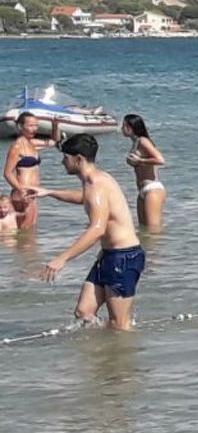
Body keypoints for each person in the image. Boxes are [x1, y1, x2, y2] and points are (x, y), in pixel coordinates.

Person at [30, 134, 145, 329]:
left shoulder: (97, 184)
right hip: (109, 255)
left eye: (65, 158)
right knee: (84, 312)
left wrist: (62, 259)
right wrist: (48, 192)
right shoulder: (93, 181)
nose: (62, 162)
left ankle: (123, 356)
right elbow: (85, 198)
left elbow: (97, 228)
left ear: (78, 159)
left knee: (120, 324)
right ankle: (99, 353)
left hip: (123, 258)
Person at [120, 114, 167, 231]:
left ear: (131, 127)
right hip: (142, 190)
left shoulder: (143, 141)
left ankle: (155, 250)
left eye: (124, 125)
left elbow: (160, 160)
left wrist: (140, 160)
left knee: (153, 230)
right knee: (143, 230)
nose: (121, 128)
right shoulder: (135, 143)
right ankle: (146, 250)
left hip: (152, 188)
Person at [4, 111, 43, 233]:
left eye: (36, 125)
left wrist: (55, 125)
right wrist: (21, 191)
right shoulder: (17, 147)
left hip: (31, 194)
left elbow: (55, 141)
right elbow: (7, 173)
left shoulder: (31, 144)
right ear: (20, 126)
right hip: (22, 194)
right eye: (30, 126)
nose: (34, 129)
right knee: (25, 234)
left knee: (27, 234)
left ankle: (15, 252)